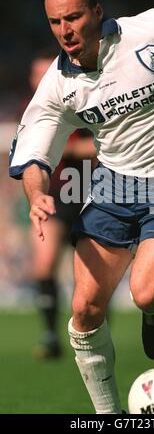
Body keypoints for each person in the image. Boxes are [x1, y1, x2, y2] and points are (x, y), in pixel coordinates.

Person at [9, 0, 154, 413]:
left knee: (146, 292)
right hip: (113, 184)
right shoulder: (57, 85)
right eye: (55, 22)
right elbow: (34, 155)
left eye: (73, 17)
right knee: (85, 309)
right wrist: (37, 196)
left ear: (96, 12)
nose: (66, 31)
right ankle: (108, 417)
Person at [19, 49, 97, 359]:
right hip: (53, 198)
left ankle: (94, 333)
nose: (42, 80)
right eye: (37, 75)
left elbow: (101, 145)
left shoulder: (81, 102)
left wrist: (71, 148)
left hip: (87, 195)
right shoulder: (32, 114)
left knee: (91, 277)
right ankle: (51, 334)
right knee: (44, 264)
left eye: (46, 73)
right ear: (31, 79)